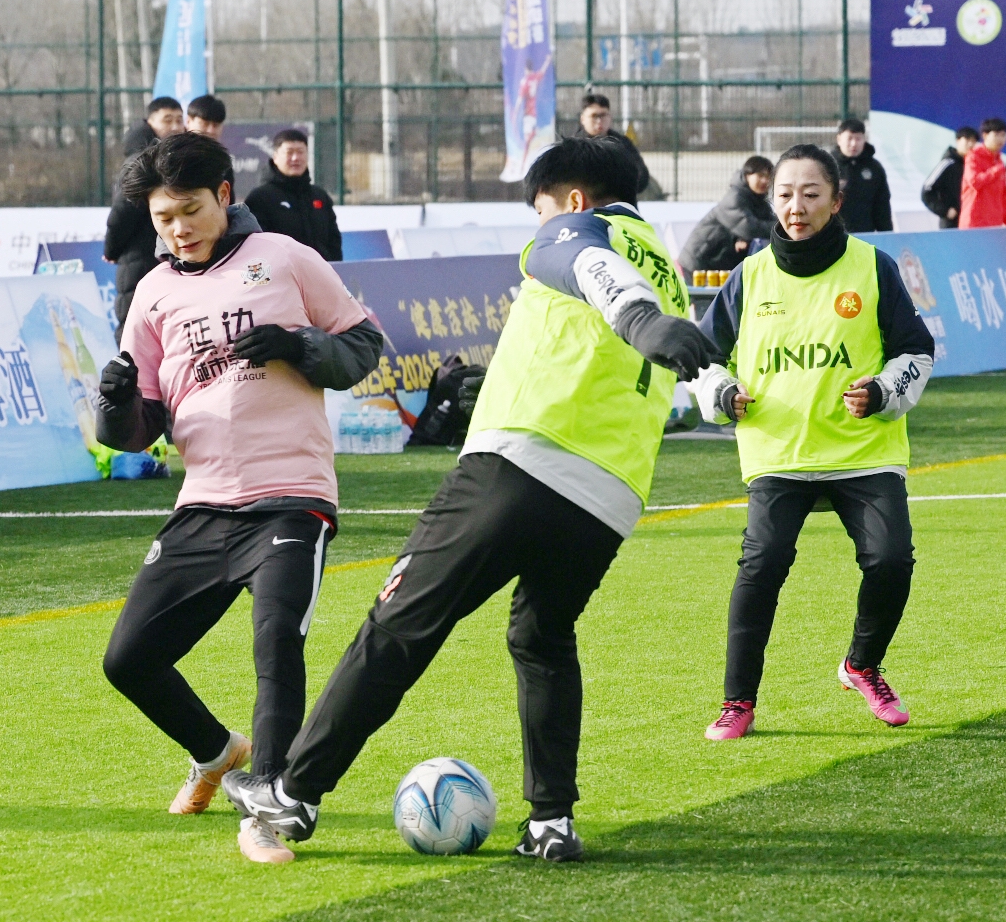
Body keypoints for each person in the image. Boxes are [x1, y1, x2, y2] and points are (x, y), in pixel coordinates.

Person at [219, 136, 708, 865]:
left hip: (520, 463)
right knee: (541, 639)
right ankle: (552, 821)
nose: (540, 225)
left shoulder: (585, 232)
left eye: (542, 210)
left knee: (399, 621)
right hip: (610, 496)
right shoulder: (665, 265)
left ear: (570, 200)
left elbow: (582, 264)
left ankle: (294, 790)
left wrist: (632, 318)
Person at [95, 132, 383, 864]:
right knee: (127, 660)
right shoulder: (153, 292)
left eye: (189, 210)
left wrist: (297, 344)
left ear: (224, 194)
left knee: (275, 642)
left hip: (292, 498)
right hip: (203, 504)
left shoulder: (285, 258)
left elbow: (363, 346)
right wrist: (115, 407)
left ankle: (267, 806)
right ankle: (219, 751)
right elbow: (142, 427)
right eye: (163, 218)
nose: (178, 229)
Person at [688, 144, 934, 741]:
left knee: (892, 560)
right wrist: (721, 395)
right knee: (762, 566)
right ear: (770, 199)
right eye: (784, 195)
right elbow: (700, 357)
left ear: (836, 201)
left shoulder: (871, 266)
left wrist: (881, 390)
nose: (795, 207)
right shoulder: (749, 275)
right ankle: (737, 703)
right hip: (779, 454)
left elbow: (918, 351)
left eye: (810, 194)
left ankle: (861, 665)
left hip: (863, 450)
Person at [105, 97, 186, 339]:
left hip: (161, 258)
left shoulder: (173, 158)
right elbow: (122, 212)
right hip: (140, 259)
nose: (174, 126)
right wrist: (112, 249)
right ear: (150, 123)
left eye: (179, 120)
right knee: (137, 332)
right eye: (167, 120)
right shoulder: (143, 163)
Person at [244, 129, 342, 262]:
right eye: (289, 152)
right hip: (282, 277)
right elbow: (257, 246)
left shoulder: (320, 196)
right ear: (275, 156)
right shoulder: (260, 198)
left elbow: (334, 243)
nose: (295, 158)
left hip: (321, 275)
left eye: (300, 152)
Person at [677, 155, 775, 275]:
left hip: (718, 262)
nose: (765, 181)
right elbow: (748, 227)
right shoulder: (734, 197)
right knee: (704, 294)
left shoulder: (759, 202)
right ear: (747, 175)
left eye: (768, 177)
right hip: (699, 261)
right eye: (760, 176)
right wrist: (781, 226)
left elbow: (770, 222)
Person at [573, 92, 664, 200]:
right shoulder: (573, 147)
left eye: (603, 115)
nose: (599, 121)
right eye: (594, 116)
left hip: (619, 205)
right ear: (583, 119)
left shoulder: (622, 144)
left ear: (610, 117)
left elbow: (641, 175)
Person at [831, 118, 892, 233]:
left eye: (858, 139)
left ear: (864, 139)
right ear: (839, 139)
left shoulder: (875, 168)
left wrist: (886, 234)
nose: (854, 144)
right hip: (834, 237)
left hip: (865, 236)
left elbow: (882, 206)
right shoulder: (827, 166)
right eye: (849, 138)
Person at [960, 117, 1006, 229]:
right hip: (974, 222)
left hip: (995, 223)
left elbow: (1003, 194)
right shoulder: (973, 156)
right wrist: (1000, 168)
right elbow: (975, 182)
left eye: (1003, 135)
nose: (1001, 139)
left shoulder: (999, 161)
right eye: (996, 135)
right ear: (985, 135)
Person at [920, 127, 979, 229]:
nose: (970, 144)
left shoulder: (974, 165)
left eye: (973, 141)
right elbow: (926, 190)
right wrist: (945, 211)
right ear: (958, 141)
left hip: (972, 221)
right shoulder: (947, 163)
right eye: (967, 140)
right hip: (952, 224)